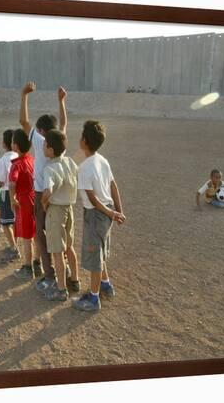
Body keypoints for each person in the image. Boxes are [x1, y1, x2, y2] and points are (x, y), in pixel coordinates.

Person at [19, 81, 68, 288]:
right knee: (60, 235)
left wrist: (24, 95)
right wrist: (61, 101)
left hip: (42, 194)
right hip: (61, 196)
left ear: (41, 131)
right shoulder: (61, 141)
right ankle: (64, 270)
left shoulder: (41, 143)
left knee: (41, 234)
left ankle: (49, 276)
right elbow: (64, 124)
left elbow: (23, 122)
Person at [73, 120, 126, 312]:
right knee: (101, 250)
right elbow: (113, 185)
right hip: (107, 212)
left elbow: (93, 199)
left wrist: (112, 212)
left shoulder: (85, 167)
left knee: (94, 256)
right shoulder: (102, 160)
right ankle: (105, 284)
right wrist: (118, 210)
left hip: (97, 214)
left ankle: (93, 299)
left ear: (84, 141)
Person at [40, 130, 80, 301]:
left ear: (50, 149)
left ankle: (61, 289)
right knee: (69, 247)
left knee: (57, 251)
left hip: (56, 210)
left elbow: (48, 190)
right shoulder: (70, 162)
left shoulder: (50, 168)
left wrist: (43, 203)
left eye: (44, 144)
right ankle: (75, 280)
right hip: (69, 208)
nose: (42, 146)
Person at [10, 129, 36, 279]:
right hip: (34, 198)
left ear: (16, 146)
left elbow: (12, 183)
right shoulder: (31, 159)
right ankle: (37, 264)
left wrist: (12, 199)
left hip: (24, 201)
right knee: (36, 233)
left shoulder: (17, 164)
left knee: (27, 236)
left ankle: (28, 267)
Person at [0, 129, 19, 262]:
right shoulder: (19, 157)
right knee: (14, 221)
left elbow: (0, 182)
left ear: (4, 144)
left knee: (5, 223)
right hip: (19, 194)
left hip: (6, 193)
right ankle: (14, 243)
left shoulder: (3, 159)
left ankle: (13, 248)